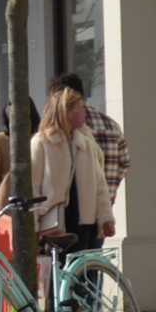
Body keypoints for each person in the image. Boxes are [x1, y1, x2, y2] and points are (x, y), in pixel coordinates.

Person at [30, 83, 113, 254]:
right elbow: (33, 189)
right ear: (67, 112)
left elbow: (99, 186)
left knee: (83, 276)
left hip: (84, 224)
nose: (84, 114)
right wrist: (33, 227)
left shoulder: (85, 144)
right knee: (57, 276)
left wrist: (106, 218)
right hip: (54, 226)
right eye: (80, 109)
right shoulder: (41, 143)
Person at [57, 72, 127, 216]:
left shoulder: (69, 128)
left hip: (75, 211)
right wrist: (110, 189)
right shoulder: (111, 125)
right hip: (104, 209)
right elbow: (124, 163)